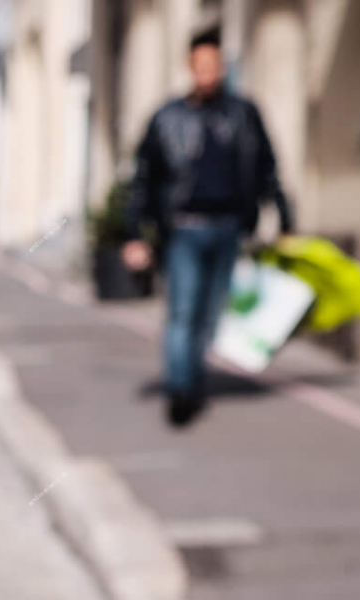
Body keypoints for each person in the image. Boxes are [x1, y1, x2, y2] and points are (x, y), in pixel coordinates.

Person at [121, 27, 292, 427]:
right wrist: (133, 235)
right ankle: (180, 391)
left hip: (228, 228)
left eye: (213, 66)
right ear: (190, 67)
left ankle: (193, 381)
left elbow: (266, 168)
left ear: (221, 67)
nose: (207, 73)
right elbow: (142, 178)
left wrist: (284, 216)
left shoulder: (243, 115)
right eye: (200, 66)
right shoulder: (167, 118)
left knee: (210, 316)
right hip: (183, 229)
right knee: (182, 312)